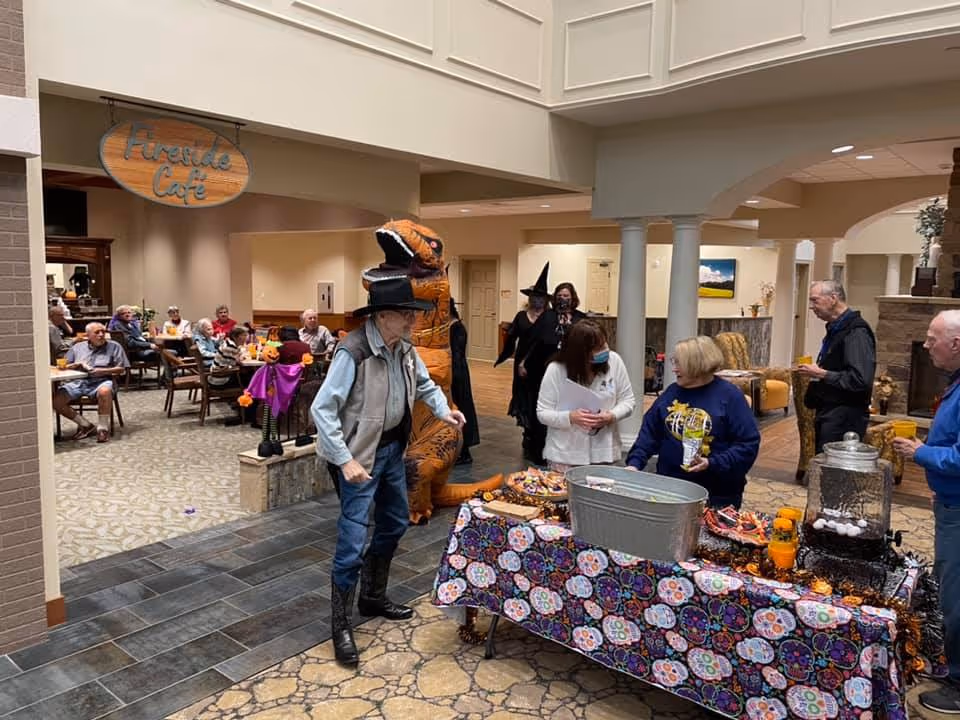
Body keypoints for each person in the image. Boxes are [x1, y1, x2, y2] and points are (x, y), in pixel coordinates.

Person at [311, 276, 466, 667]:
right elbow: (322, 410)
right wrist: (344, 459)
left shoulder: (403, 347)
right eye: (405, 313)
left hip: (394, 451)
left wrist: (445, 411)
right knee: (352, 543)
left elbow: (424, 385)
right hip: (359, 458)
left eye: (414, 313)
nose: (413, 320)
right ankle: (340, 625)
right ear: (382, 316)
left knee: (396, 521)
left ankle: (372, 596)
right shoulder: (354, 352)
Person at [893, 309, 960, 713]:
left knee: (955, 596)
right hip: (950, 500)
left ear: (956, 343)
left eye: (933, 338)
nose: (926, 344)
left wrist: (920, 452)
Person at [625, 336, 760, 508]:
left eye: (680, 363)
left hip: (718, 493)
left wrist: (712, 463)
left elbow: (748, 444)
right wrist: (634, 464)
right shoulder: (671, 393)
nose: (674, 369)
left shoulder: (730, 396)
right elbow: (649, 434)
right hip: (671, 489)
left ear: (698, 365)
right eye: (674, 362)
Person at [536, 321, 635, 471]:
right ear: (581, 353)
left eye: (605, 343)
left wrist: (611, 416)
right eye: (598, 348)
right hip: (565, 454)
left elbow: (628, 401)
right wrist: (570, 417)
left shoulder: (614, 361)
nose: (606, 350)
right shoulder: (556, 369)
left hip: (604, 453)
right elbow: (543, 413)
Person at [798, 280, 876, 452]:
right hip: (830, 411)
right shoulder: (836, 328)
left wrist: (822, 374)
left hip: (845, 417)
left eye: (815, 300)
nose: (811, 307)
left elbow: (860, 379)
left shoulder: (856, 332)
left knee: (834, 465)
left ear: (833, 299)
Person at [495, 263, 551, 465]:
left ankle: (540, 435)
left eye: (540, 297)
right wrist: (506, 356)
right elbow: (512, 339)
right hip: (522, 365)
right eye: (534, 297)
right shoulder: (521, 317)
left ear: (546, 300)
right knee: (525, 398)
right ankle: (528, 435)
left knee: (541, 398)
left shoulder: (550, 317)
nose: (537, 300)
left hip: (543, 365)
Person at [53, 322, 128, 443]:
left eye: (103, 332)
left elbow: (121, 368)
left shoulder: (114, 346)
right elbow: (63, 366)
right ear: (88, 335)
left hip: (103, 380)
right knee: (56, 401)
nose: (101, 335)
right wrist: (76, 365)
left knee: (105, 391)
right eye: (97, 332)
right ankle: (85, 425)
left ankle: (102, 429)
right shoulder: (77, 347)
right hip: (79, 381)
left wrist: (101, 371)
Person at [449, 299, 479, 464]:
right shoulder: (448, 326)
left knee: (462, 407)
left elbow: (457, 354)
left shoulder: (457, 328)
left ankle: (464, 450)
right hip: (452, 371)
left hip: (458, 373)